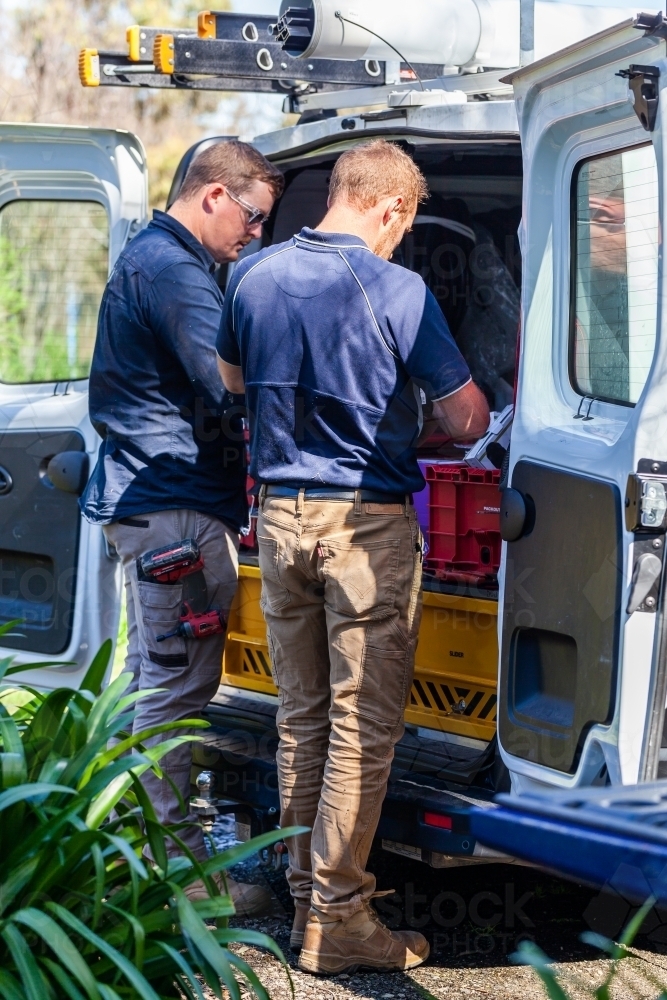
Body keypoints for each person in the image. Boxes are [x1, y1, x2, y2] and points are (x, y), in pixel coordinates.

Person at [216, 140, 489, 973]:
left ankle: (308, 900)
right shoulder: (397, 289)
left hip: (282, 522)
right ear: (389, 208)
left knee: (300, 721)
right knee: (361, 732)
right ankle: (339, 919)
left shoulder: (249, 278)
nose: (400, 242)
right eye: (401, 226)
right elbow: (470, 417)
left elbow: (232, 382)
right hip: (363, 529)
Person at [80, 140, 284, 914]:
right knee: (175, 690)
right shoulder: (172, 269)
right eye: (254, 217)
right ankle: (180, 881)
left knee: (154, 685)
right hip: (173, 508)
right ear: (213, 196)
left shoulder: (157, 260)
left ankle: (123, 855)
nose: (256, 236)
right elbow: (227, 380)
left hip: (155, 503)